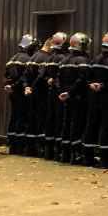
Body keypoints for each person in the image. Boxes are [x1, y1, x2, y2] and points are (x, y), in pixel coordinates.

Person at [84, 31, 108, 167]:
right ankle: (105, 159)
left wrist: (92, 84)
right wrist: (103, 85)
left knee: (91, 126)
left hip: (93, 99)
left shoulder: (94, 60)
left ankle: (88, 157)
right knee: (106, 128)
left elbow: (87, 77)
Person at [57, 33, 93, 165]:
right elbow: (82, 80)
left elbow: (58, 80)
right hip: (79, 97)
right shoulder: (83, 61)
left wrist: (63, 93)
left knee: (66, 124)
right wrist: (71, 93)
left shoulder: (64, 61)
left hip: (65, 97)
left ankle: (64, 154)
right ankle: (75, 155)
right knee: (77, 125)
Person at [3, 34, 37, 155]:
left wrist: (9, 86)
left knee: (14, 116)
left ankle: (12, 145)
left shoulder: (12, 58)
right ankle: (20, 146)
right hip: (22, 93)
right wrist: (16, 86)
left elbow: (7, 76)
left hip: (12, 93)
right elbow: (23, 78)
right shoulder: (28, 59)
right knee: (23, 118)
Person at [22, 34, 53, 156]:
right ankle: (41, 149)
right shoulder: (47, 58)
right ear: (49, 46)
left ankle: (29, 148)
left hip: (31, 94)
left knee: (31, 120)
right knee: (42, 121)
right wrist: (34, 88)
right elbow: (41, 77)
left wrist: (27, 87)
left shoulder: (33, 57)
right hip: (42, 94)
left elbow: (25, 75)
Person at [40, 32, 69, 161]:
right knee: (59, 120)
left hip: (49, 93)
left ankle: (48, 152)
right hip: (60, 94)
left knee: (49, 120)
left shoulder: (49, 58)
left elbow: (43, 75)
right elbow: (63, 76)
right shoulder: (64, 58)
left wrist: (49, 80)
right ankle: (58, 152)